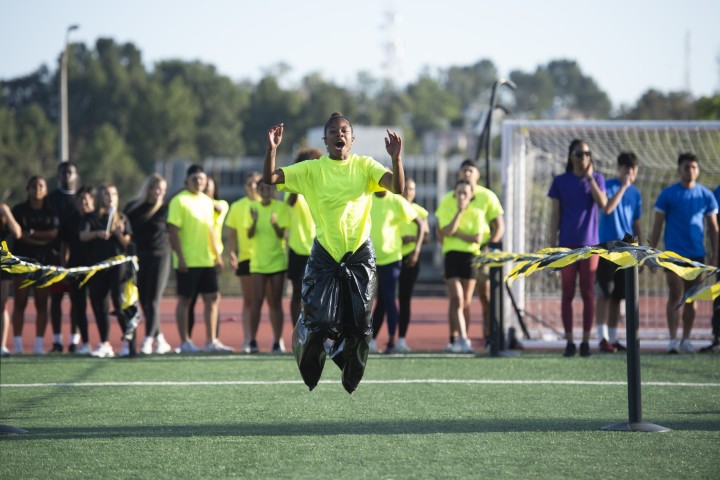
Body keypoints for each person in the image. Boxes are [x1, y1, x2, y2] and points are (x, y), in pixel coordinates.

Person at [263, 112, 404, 394]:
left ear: (352, 140)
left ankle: (347, 369)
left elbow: (397, 187)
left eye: (344, 131)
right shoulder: (311, 170)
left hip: (360, 253)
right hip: (325, 253)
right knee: (320, 321)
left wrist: (396, 158)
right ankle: (309, 355)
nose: (339, 135)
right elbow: (270, 178)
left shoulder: (365, 166)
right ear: (325, 140)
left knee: (361, 324)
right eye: (333, 132)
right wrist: (272, 149)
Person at [649, 153, 719, 354]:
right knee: (675, 292)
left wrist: (715, 254)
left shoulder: (706, 195)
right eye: (687, 167)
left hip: (696, 254)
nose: (691, 170)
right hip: (673, 254)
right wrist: (651, 254)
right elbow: (657, 225)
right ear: (679, 169)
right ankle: (672, 340)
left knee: (690, 297)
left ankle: (686, 339)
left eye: (694, 167)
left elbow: (714, 228)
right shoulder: (668, 194)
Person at [548, 139, 607, 357]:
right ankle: (570, 341)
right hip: (566, 244)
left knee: (588, 292)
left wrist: (590, 178)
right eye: (579, 154)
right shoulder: (560, 181)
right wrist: (552, 246)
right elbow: (554, 215)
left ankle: (585, 341)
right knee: (567, 292)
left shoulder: (597, 179)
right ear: (571, 156)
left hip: (590, 245)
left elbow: (603, 205)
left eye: (587, 154)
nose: (583, 158)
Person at [436, 160, 504, 349]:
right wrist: (447, 240)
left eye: (470, 171)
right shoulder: (449, 198)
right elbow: (441, 230)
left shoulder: (487, 197)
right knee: (457, 298)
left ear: (477, 174)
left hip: (480, 254)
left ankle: (490, 337)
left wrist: (488, 249)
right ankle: (455, 338)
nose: (466, 174)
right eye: (463, 170)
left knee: (484, 296)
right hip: (454, 254)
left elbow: (498, 227)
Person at [167, 164, 233, 353]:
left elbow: (211, 229)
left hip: (207, 260)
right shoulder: (179, 201)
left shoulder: (207, 201)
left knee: (213, 297)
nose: (198, 182)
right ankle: (185, 342)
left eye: (202, 179)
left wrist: (217, 255)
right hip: (187, 260)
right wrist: (180, 258)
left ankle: (211, 340)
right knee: (185, 300)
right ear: (186, 180)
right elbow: (172, 231)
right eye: (195, 179)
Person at [595, 152, 642, 353]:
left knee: (618, 296)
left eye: (632, 169)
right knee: (604, 292)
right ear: (619, 168)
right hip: (607, 245)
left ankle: (613, 338)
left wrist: (639, 248)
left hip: (627, 246)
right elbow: (607, 209)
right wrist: (623, 187)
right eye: (625, 168)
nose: (629, 172)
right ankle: (601, 337)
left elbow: (636, 222)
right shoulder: (608, 185)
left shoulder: (636, 193)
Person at [80, 183, 134, 358]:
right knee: (99, 304)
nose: (110, 197)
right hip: (97, 266)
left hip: (118, 266)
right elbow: (82, 235)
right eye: (106, 194)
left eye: (113, 194)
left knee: (120, 303)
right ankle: (105, 343)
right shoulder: (92, 218)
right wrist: (96, 234)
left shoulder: (123, 218)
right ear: (101, 198)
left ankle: (128, 343)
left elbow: (128, 244)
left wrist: (118, 234)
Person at [123, 174, 172, 355]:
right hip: (138, 257)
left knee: (153, 300)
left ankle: (147, 340)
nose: (160, 193)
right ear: (149, 188)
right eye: (158, 188)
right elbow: (125, 231)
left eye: (164, 190)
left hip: (160, 257)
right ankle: (159, 338)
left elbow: (172, 232)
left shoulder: (165, 210)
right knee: (143, 300)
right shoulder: (133, 207)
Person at [11, 176, 59, 354]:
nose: (37, 189)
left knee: (41, 303)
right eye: (33, 186)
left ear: (46, 190)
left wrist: (33, 234)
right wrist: (39, 237)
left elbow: (53, 233)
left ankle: (39, 345)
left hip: (43, 263)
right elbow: (18, 234)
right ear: (27, 189)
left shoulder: (51, 212)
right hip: (22, 262)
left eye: (40, 186)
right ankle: (17, 345)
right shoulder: (19, 210)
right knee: (20, 302)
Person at [435, 179, 484, 353]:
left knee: (466, 302)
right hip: (452, 257)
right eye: (459, 193)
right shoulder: (448, 209)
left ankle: (461, 337)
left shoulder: (478, 213)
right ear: (455, 194)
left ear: (471, 195)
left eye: (465, 193)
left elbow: (477, 238)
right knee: (456, 298)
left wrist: (458, 234)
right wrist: (459, 213)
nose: (462, 196)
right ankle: (462, 338)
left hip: (471, 258)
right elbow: (447, 231)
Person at [368, 189, 420, 354]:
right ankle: (368, 340)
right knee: (365, 301)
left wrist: (416, 251)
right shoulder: (366, 198)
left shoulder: (397, 201)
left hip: (391, 259)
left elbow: (421, 223)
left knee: (389, 299)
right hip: (368, 259)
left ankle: (391, 341)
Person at [246, 181, 289, 353]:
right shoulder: (252, 207)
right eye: (262, 189)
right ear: (257, 190)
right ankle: (252, 341)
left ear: (273, 190)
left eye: (268, 188)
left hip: (277, 260)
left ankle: (277, 341)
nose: (265, 191)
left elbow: (282, 234)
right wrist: (255, 221)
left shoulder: (280, 207)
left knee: (276, 302)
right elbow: (249, 234)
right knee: (256, 301)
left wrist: (274, 223)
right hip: (258, 262)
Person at [285, 148, 322, 329]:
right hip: (298, 249)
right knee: (298, 294)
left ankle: (317, 333)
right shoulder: (293, 188)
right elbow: (291, 202)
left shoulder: (322, 187)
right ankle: (297, 333)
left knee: (318, 295)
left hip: (319, 249)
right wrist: (299, 179)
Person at [187, 175, 228, 339]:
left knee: (213, 298)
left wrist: (200, 198)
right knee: (190, 300)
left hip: (212, 257)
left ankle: (213, 338)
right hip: (195, 256)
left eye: (207, 186)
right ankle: (187, 339)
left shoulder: (219, 204)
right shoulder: (195, 204)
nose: (204, 188)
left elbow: (218, 208)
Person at [226, 172, 262, 353]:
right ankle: (248, 339)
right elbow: (232, 235)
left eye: (256, 183)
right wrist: (232, 253)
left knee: (267, 301)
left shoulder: (268, 204)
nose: (252, 187)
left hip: (267, 258)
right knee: (249, 300)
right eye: (249, 183)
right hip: (246, 257)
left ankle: (276, 341)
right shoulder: (237, 206)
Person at [47, 161, 80, 352]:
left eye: (70, 172)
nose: (66, 175)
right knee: (56, 298)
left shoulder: (80, 199)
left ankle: (75, 340)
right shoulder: (51, 199)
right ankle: (57, 341)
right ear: (58, 175)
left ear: (75, 175)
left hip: (78, 259)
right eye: (63, 172)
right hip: (54, 256)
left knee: (76, 299)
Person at [61, 186, 96, 355]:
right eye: (81, 199)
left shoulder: (98, 218)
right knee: (78, 305)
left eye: (87, 199)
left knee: (99, 305)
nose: (84, 202)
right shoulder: (70, 220)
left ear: (93, 201)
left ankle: (105, 342)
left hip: (97, 269)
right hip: (76, 267)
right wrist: (64, 266)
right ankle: (85, 342)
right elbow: (64, 245)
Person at [396, 178, 428, 353]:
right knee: (385, 300)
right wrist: (400, 239)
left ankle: (401, 338)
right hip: (392, 257)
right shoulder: (395, 206)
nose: (409, 191)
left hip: (411, 259)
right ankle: (378, 338)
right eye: (406, 188)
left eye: (412, 189)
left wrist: (413, 240)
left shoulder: (420, 212)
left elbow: (428, 237)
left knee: (405, 299)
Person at [700, 183, 720, 353]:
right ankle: (717, 337)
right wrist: (715, 253)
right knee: (718, 294)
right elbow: (714, 226)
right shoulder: (717, 192)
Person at [1, 202, 22, 356]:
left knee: (2, 304)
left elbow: (17, 233)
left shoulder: (6, 223)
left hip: (3, 264)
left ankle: (2, 345)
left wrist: (7, 211)